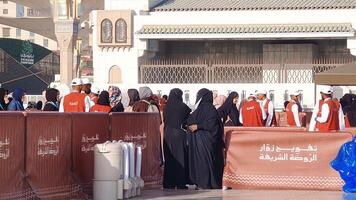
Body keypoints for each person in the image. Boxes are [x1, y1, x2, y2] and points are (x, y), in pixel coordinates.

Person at [186, 88, 224, 189]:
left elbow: (212, 124)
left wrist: (198, 126)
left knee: (204, 162)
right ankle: (204, 183)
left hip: (206, 140)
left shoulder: (208, 109)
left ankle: (205, 183)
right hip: (203, 140)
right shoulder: (206, 108)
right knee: (203, 161)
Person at [163, 88, 191, 189]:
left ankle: (169, 183)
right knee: (180, 158)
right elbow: (188, 114)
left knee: (169, 158)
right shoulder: (182, 106)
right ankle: (180, 182)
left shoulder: (166, 107)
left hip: (167, 133)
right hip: (179, 134)